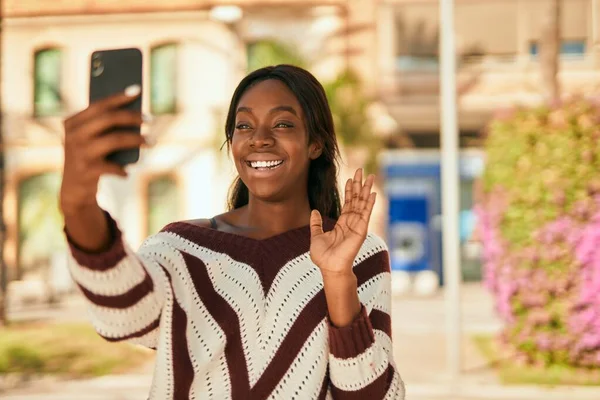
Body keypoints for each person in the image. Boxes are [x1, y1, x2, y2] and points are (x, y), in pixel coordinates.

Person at [60, 64, 405, 400]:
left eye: (283, 124)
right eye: (244, 126)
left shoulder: (360, 253)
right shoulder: (181, 249)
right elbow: (122, 316)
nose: (260, 140)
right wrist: (78, 205)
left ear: (315, 143)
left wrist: (338, 277)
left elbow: (374, 395)